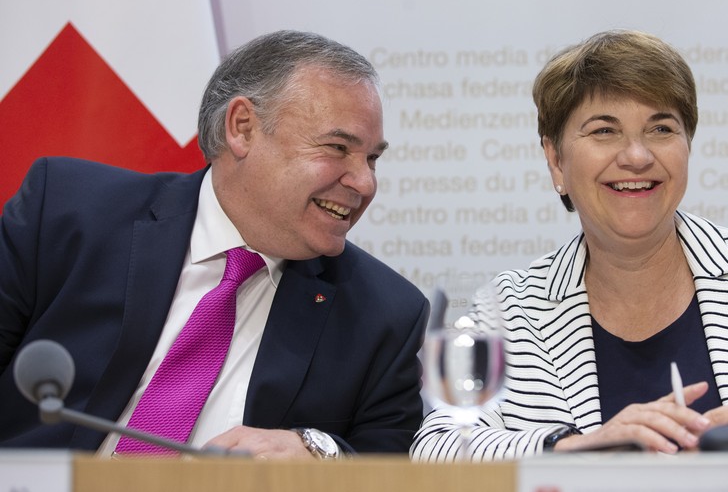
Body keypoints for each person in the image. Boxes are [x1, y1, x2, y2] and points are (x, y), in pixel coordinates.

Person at [411, 29, 728, 461]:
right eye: (604, 131)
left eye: (661, 129)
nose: (637, 156)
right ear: (556, 161)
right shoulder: (510, 309)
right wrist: (584, 447)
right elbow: (437, 449)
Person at [0, 30, 429, 459]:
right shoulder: (68, 212)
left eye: (372, 158)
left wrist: (319, 453)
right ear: (242, 128)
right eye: (338, 148)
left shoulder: (384, 315)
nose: (365, 182)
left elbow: (388, 470)